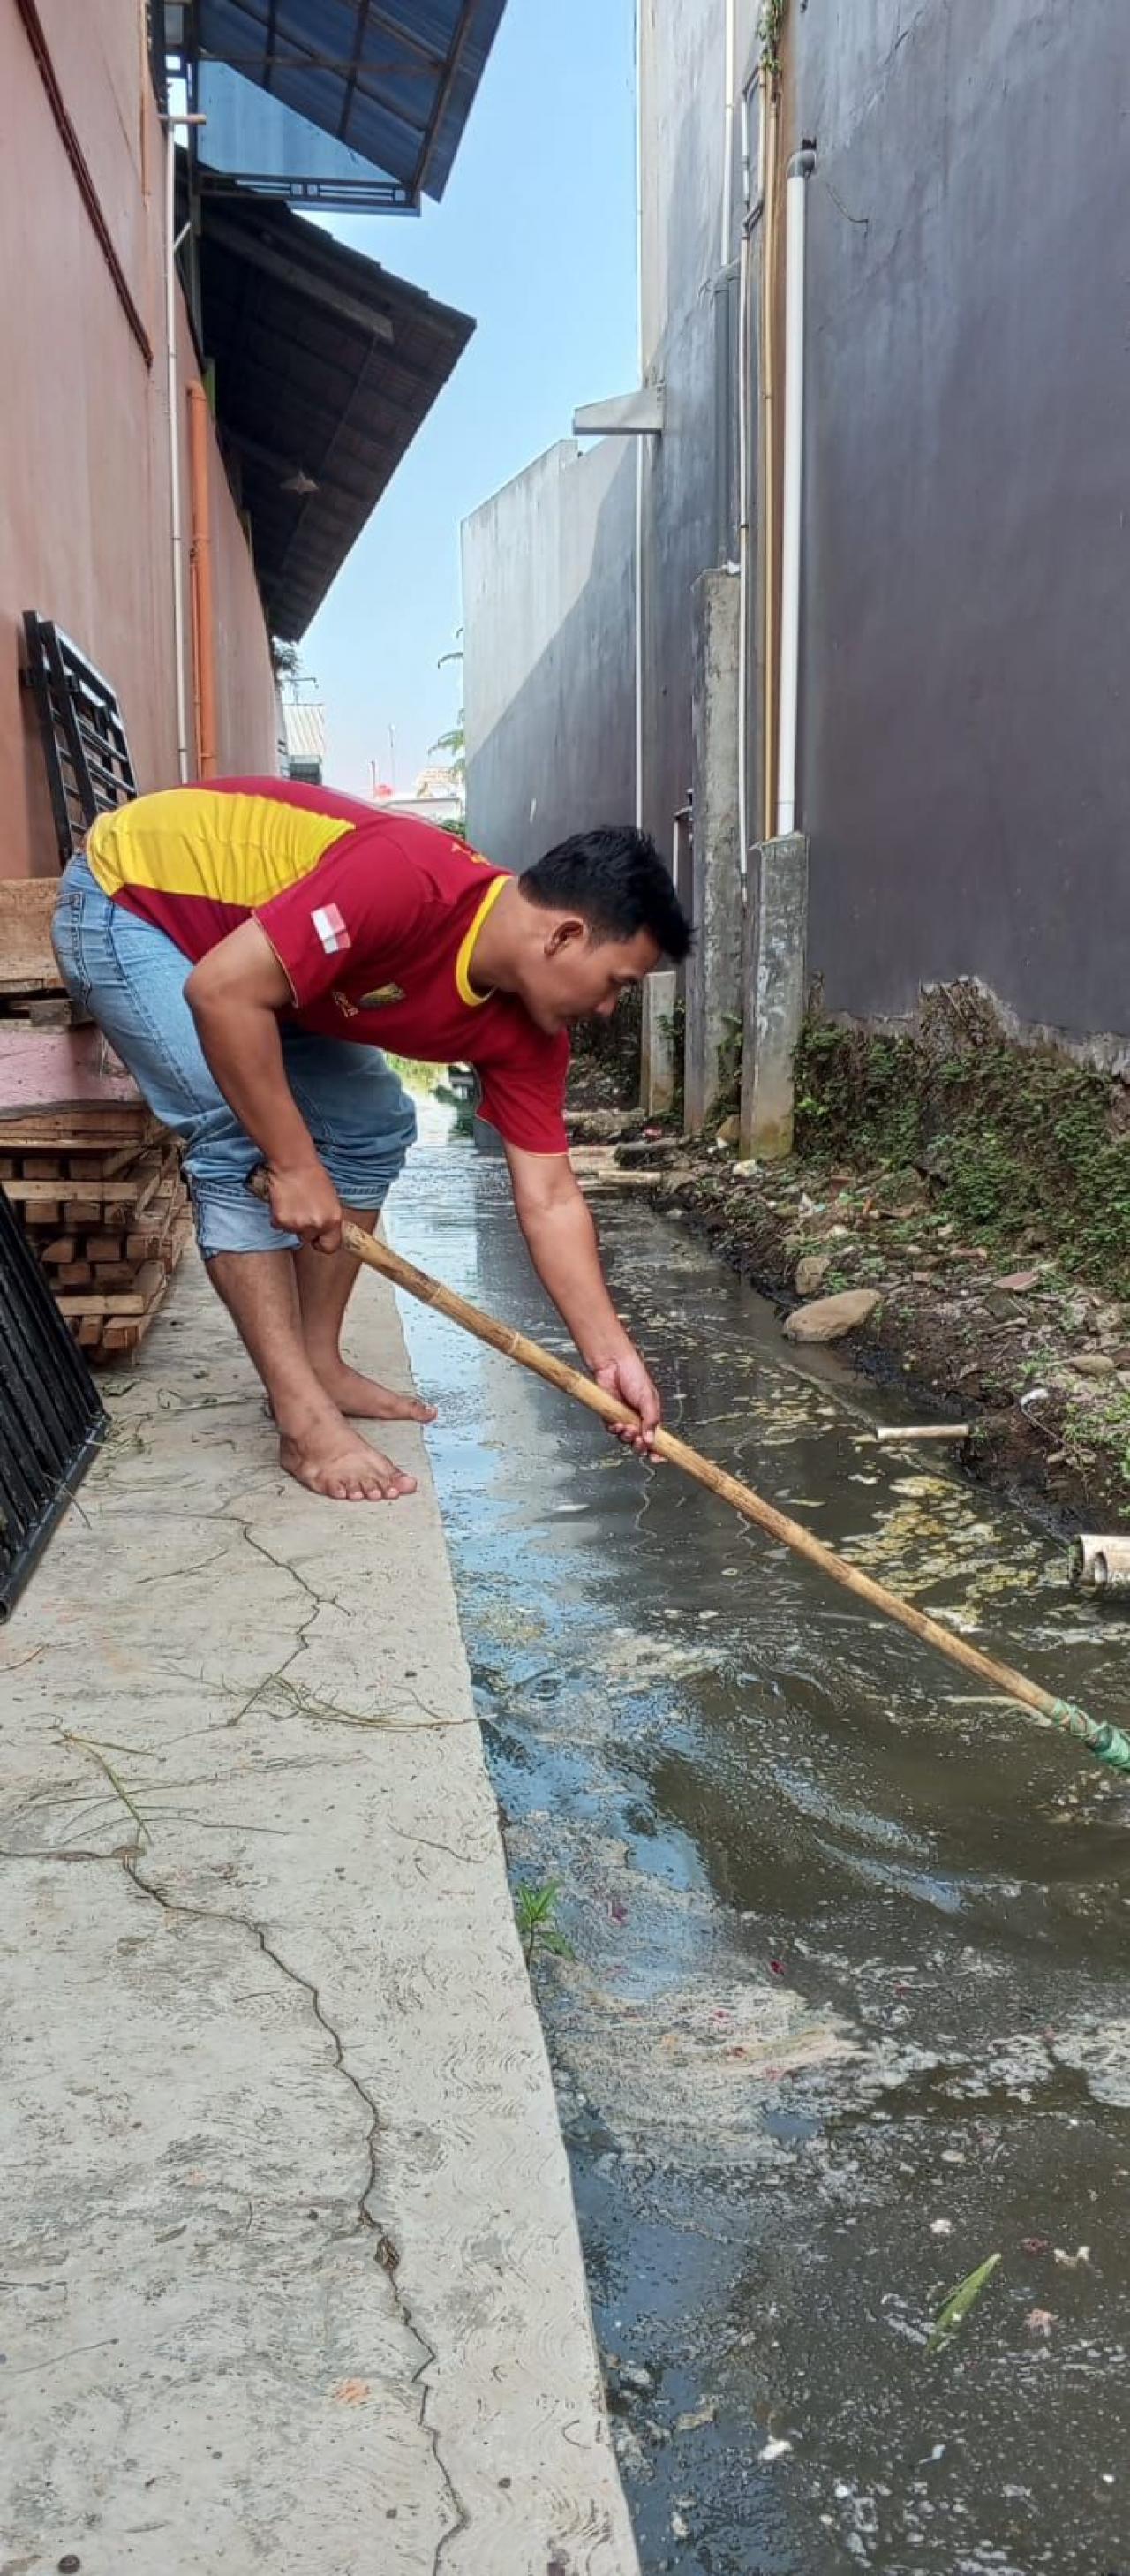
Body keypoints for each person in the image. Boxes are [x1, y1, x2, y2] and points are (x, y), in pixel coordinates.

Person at [53, 776, 691, 1504]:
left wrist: (611, 1357)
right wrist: (293, 1164)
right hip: (132, 906)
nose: (609, 1009)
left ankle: (318, 1361)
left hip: (256, 963)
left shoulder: (532, 1036)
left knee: (369, 1126)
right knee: (235, 1139)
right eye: (615, 983)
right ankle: (301, 1416)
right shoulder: (406, 883)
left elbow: (548, 1196)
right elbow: (222, 992)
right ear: (565, 934)